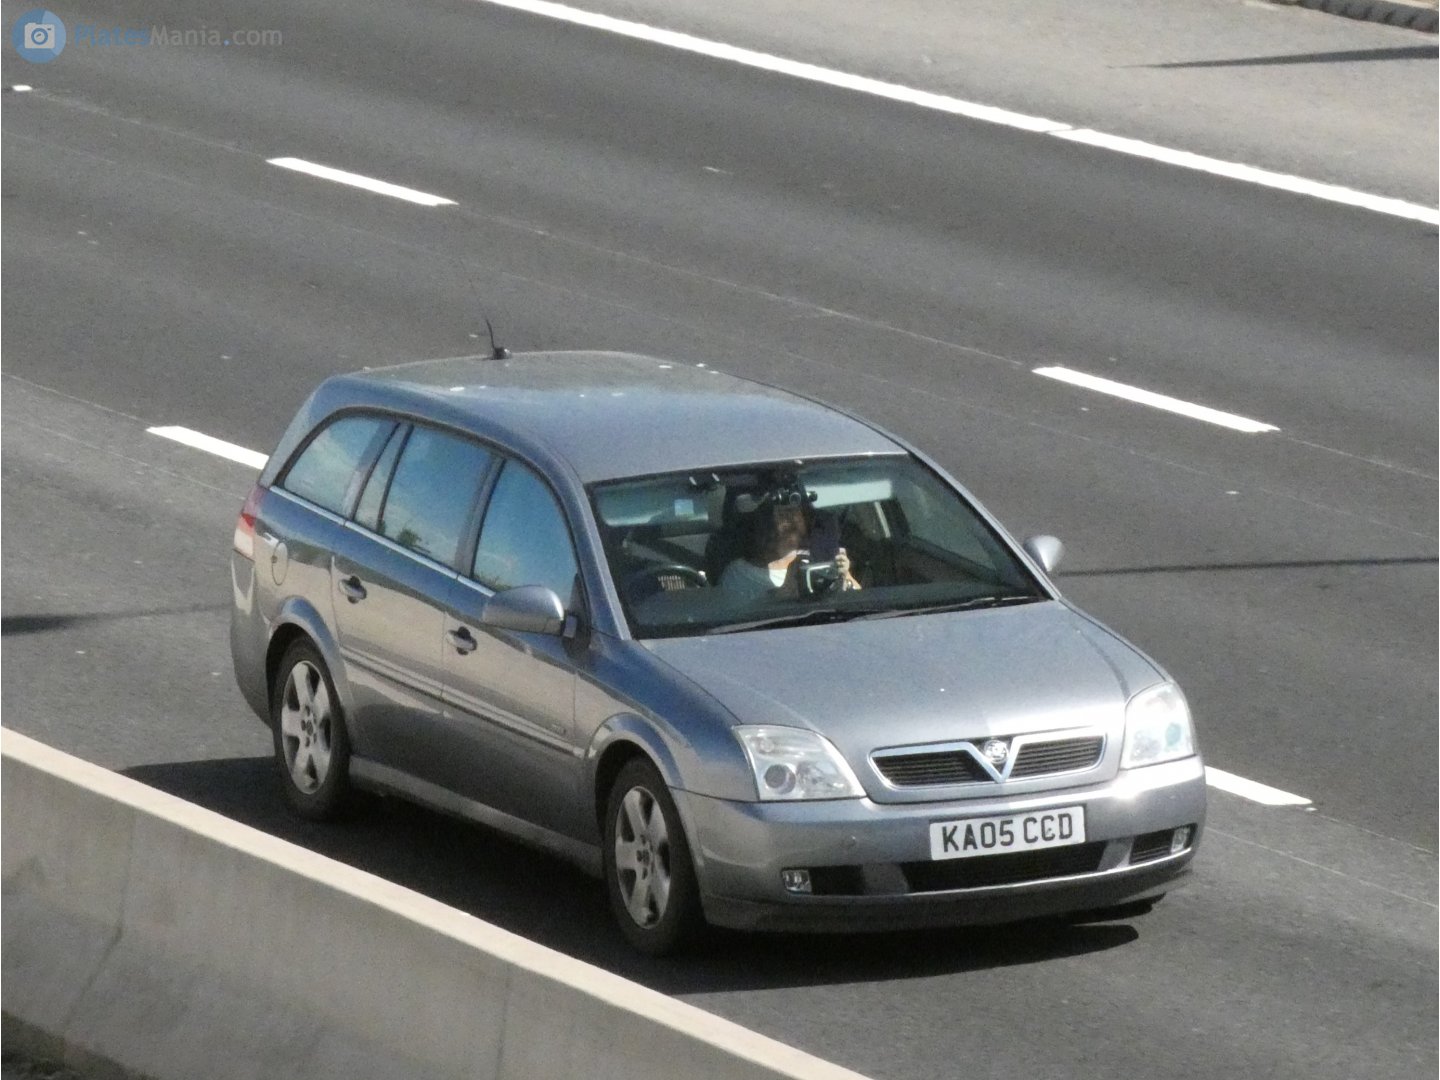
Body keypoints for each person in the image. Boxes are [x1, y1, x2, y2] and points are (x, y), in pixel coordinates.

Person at [718, 501, 860, 600]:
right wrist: (782, 594)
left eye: (795, 512)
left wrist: (844, 574)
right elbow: (738, 619)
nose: (791, 519)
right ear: (767, 525)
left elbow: (855, 599)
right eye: (783, 514)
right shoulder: (740, 573)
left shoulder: (821, 561)